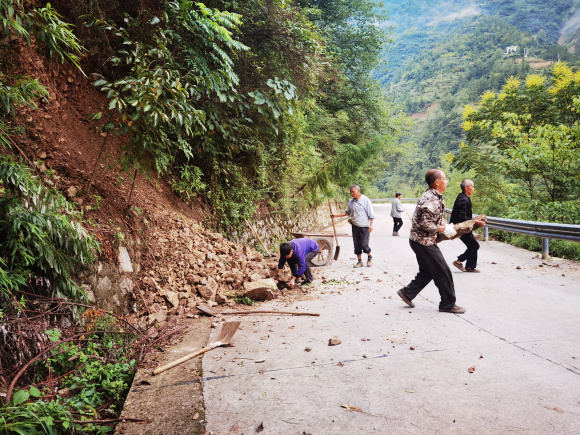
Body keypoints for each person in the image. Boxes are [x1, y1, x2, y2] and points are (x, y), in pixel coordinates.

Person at [396, 169, 478, 314]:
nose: (446, 181)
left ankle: (407, 293)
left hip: (419, 240)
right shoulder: (431, 199)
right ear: (437, 182)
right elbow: (425, 224)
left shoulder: (435, 196)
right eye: (445, 179)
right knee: (444, 272)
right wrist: (443, 229)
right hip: (423, 242)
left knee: (428, 271)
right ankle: (447, 304)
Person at [330, 184, 375, 267]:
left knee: (364, 244)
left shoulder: (365, 200)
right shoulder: (351, 201)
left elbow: (371, 215)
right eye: (351, 192)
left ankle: (369, 257)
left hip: (364, 226)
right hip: (354, 225)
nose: (352, 194)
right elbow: (347, 212)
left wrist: (371, 225)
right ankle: (360, 261)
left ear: (358, 191)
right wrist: (335, 215)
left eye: (353, 192)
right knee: (357, 244)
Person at [450, 179, 483, 273]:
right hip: (461, 227)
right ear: (466, 187)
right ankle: (458, 261)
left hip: (464, 226)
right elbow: (462, 217)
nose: (473, 189)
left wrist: (473, 219)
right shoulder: (463, 199)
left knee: (472, 245)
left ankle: (470, 267)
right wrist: (476, 222)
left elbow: (464, 215)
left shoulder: (464, 197)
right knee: (474, 245)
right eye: (472, 186)